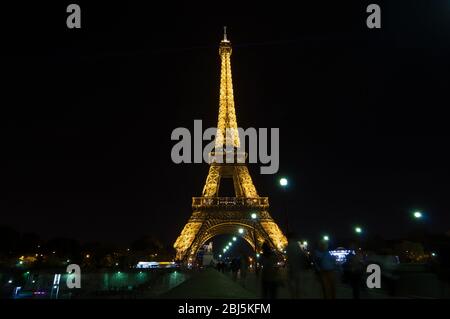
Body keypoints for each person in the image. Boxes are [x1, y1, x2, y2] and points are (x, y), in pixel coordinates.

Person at [286, 232, 309, 298]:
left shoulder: (289, 246)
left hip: (292, 268)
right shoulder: (298, 245)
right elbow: (302, 255)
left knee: (292, 285)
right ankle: (298, 295)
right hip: (298, 268)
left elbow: (288, 258)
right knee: (298, 284)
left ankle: (294, 295)